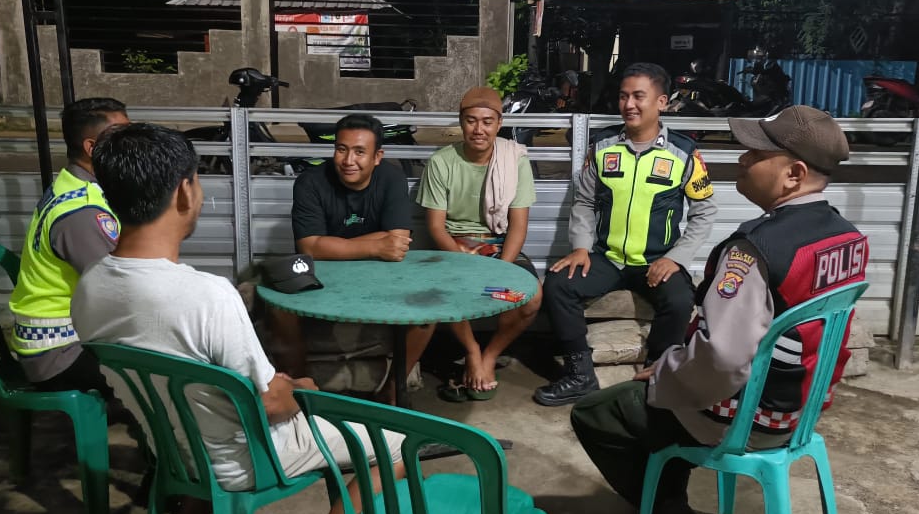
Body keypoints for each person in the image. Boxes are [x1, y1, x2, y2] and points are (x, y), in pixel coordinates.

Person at [72, 122, 403, 514]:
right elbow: (271, 404)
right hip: (244, 462)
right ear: (184, 192)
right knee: (394, 448)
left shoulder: (89, 287)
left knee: (205, 408)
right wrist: (299, 388)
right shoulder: (208, 297)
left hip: (173, 451)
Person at [571, 106, 867, 514]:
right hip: (801, 409)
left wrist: (664, 374)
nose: (742, 160)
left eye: (757, 154)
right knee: (663, 394)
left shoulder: (755, 250)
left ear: (794, 174)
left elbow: (724, 359)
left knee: (600, 411)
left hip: (751, 416)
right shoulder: (846, 237)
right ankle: (670, 493)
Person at [534, 62, 717, 407]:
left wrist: (676, 259)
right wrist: (581, 248)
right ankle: (580, 374)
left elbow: (704, 211)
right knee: (558, 284)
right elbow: (585, 201)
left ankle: (658, 374)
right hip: (608, 258)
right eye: (623, 96)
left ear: (661, 102)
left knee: (681, 300)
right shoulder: (602, 146)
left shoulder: (684, 153)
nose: (628, 104)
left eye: (638, 96)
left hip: (656, 261)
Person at [268, 114, 434, 404]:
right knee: (279, 307)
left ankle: (391, 393)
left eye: (359, 152)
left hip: (380, 274)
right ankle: (300, 388)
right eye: (341, 149)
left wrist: (333, 245)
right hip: (324, 275)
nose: (348, 160)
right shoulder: (311, 182)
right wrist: (375, 246)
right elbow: (309, 247)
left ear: (377, 156)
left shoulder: (392, 178)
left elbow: (397, 241)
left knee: (427, 314)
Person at [416, 86, 543, 399]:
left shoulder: (514, 160)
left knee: (529, 298)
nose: (479, 129)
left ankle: (490, 355)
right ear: (461, 122)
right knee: (447, 291)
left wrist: (501, 270)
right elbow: (436, 227)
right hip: (455, 245)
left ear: (499, 124)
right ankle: (472, 350)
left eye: (487, 122)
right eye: (471, 121)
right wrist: (466, 263)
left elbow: (518, 226)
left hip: (499, 244)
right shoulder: (441, 162)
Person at [8, 97, 130, 393]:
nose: (133, 145)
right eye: (123, 137)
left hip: (61, 339)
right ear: (92, 147)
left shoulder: (72, 184)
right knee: (166, 374)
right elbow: (120, 289)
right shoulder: (83, 212)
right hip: (59, 354)